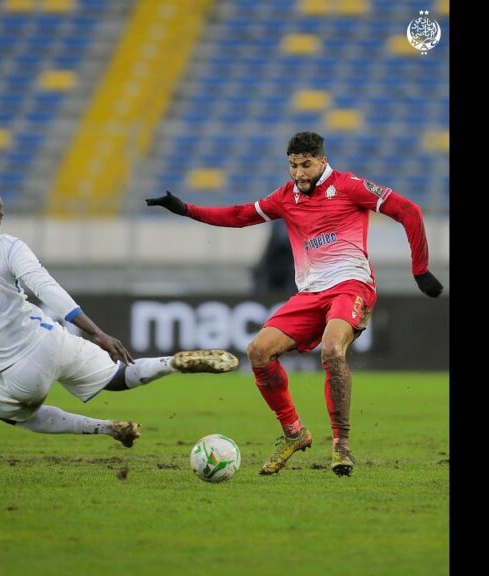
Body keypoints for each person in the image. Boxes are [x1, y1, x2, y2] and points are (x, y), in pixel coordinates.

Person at [146, 132, 442, 476]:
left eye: (306, 164)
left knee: (332, 350)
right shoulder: (286, 197)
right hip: (310, 294)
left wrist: (420, 269)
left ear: (321, 160)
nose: (299, 173)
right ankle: (294, 433)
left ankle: (341, 446)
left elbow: (408, 210)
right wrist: (185, 209)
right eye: (293, 165)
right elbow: (240, 215)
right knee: (258, 351)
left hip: (351, 285)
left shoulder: (350, 186)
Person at [0, 185, 238, 447]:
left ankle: (105, 428)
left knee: (8, 414)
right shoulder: (8, 247)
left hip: (16, 368)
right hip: (50, 339)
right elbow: (45, 287)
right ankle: (172, 363)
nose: (1, 221)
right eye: (0, 214)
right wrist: (96, 332)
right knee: (119, 377)